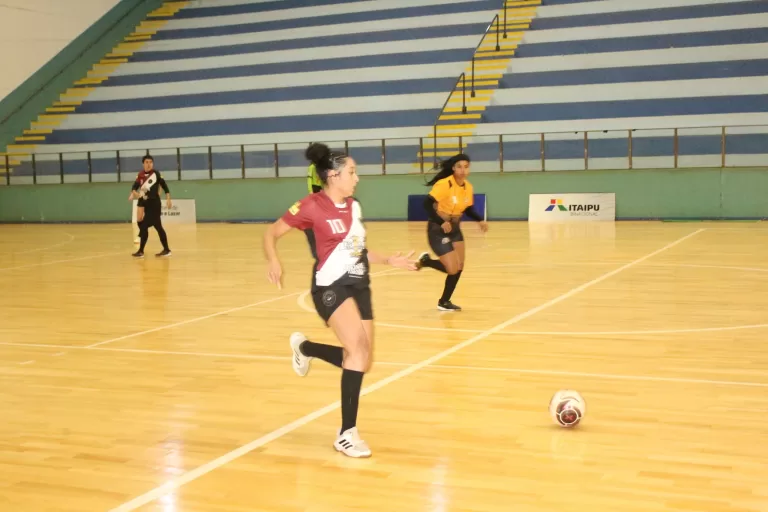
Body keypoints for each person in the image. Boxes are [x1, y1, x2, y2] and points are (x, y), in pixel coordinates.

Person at [263, 142, 417, 458]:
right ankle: (347, 434)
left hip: (360, 284)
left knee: (362, 359)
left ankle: (305, 348)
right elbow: (271, 233)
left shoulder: (354, 206)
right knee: (358, 351)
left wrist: (389, 260)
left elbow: (356, 250)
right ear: (333, 175)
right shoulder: (309, 205)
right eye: (352, 171)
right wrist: (273, 260)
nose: (356, 177)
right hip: (330, 286)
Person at [415, 153, 488, 311]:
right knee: (452, 269)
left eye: (466, 167)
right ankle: (426, 261)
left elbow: (468, 208)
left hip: (455, 229)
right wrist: (442, 222)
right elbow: (427, 204)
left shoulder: (468, 187)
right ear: (453, 168)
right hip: (438, 229)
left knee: (459, 266)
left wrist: (479, 219)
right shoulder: (444, 184)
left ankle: (444, 301)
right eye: (459, 166)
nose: (463, 170)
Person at [129, 155, 172, 258]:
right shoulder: (140, 175)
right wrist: (135, 194)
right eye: (147, 162)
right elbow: (134, 188)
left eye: (150, 162)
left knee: (144, 226)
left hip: (155, 204)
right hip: (145, 203)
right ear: (143, 164)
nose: (149, 164)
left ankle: (141, 250)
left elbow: (165, 186)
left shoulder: (156, 174)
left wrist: (168, 198)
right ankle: (166, 249)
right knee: (157, 227)